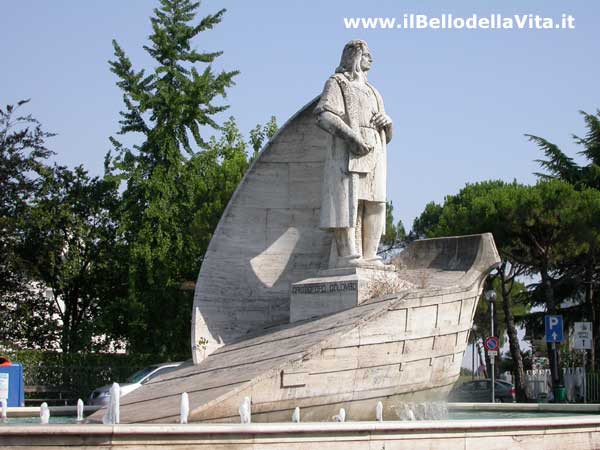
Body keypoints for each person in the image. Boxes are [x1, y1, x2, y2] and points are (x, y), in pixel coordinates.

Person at [314, 40, 393, 268]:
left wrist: (388, 123)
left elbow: (388, 133)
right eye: (367, 54)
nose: (371, 59)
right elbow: (324, 115)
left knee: (376, 202)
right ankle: (348, 256)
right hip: (349, 149)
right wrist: (352, 137)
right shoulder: (337, 82)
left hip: (376, 151)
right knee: (348, 202)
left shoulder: (374, 91)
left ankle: (371, 255)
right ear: (355, 56)